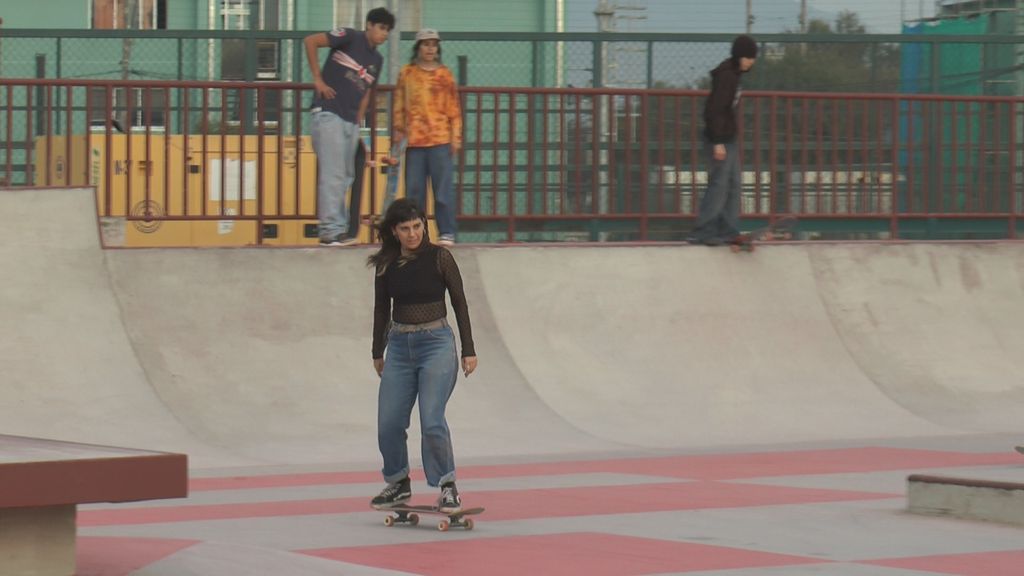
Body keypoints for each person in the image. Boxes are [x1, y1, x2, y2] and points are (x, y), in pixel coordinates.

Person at [367, 198, 477, 513]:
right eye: (406, 228)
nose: (413, 233)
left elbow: (460, 302)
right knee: (388, 422)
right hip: (400, 347)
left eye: (417, 226)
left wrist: (468, 349)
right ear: (394, 231)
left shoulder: (440, 257)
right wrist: (378, 350)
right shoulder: (386, 264)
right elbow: (380, 309)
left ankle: (447, 485)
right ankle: (398, 482)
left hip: (436, 343)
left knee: (431, 420)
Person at [305, 7, 394, 246]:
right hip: (329, 114)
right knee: (333, 175)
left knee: (346, 175)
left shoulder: (377, 60)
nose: (384, 34)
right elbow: (311, 41)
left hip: (350, 121)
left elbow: (367, 93)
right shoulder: (350, 37)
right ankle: (330, 230)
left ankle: (339, 228)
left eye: (388, 30)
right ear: (370, 25)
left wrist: (359, 120)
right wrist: (317, 79)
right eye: (381, 28)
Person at [392, 28, 463, 247]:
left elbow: (454, 109)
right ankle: (417, 235)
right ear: (418, 47)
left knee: (443, 192)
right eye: (425, 44)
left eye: (433, 44)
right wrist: (398, 129)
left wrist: (455, 138)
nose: (430, 48)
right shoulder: (407, 73)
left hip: (440, 139)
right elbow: (399, 104)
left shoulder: (445, 74)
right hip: (414, 141)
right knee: (414, 193)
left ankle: (447, 232)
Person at [689, 35, 758, 246]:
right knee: (719, 184)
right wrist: (718, 142)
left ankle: (728, 229)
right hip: (719, 139)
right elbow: (714, 110)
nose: (752, 62)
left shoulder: (734, 75)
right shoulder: (726, 76)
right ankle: (705, 230)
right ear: (741, 56)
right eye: (749, 57)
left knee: (734, 184)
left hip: (729, 137)